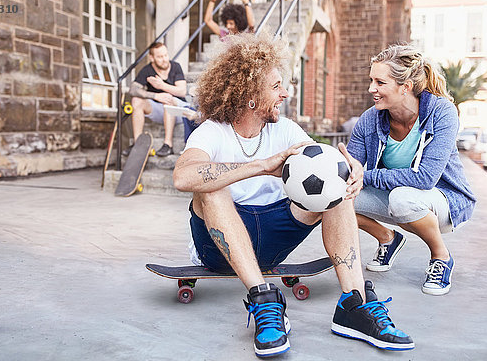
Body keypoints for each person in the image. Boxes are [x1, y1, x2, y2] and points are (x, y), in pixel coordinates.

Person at [173, 34, 414, 358]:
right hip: (217, 249)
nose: (285, 93)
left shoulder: (284, 129)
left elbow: (325, 159)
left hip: (274, 240)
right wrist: (260, 166)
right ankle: (263, 298)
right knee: (211, 188)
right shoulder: (212, 132)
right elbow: (183, 177)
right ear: (249, 95)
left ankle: (354, 304)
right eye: (275, 86)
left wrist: (349, 168)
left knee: (334, 186)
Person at [346, 44, 476, 296]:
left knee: (402, 198)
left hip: (443, 201)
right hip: (396, 197)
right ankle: (387, 238)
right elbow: (353, 167)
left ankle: (441, 256)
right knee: (338, 196)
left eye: (380, 82)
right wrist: (340, 168)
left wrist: (368, 175)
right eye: (371, 80)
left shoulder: (442, 112)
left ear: (405, 87)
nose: (371, 88)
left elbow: (426, 178)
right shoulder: (370, 119)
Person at [128, 42, 188, 156]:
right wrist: (155, 96)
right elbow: (133, 90)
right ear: (152, 58)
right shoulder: (147, 70)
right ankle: (137, 143)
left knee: (168, 99)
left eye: (165, 55)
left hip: (179, 111)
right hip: (159, 111)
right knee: (136, 100)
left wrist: (162, 86)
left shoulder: (175, 67)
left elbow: (182, 91)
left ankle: (168, 144)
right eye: (160, 57)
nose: (164, 59)